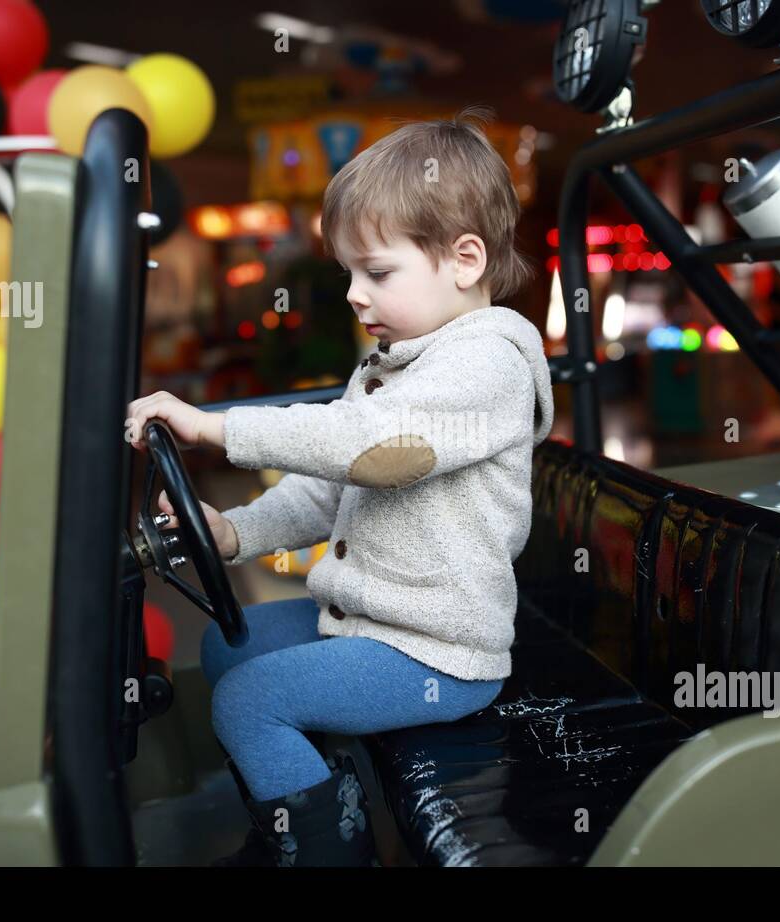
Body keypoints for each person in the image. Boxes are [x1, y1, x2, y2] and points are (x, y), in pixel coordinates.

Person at [124, 106, 554, 867]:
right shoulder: (397, 362)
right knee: (230, 650)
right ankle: (295, 822)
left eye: (377, 273)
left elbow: (371, 453)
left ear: (464, 259)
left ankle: (325, 856)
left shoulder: (487, 365)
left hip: (437, 654)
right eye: (349, 273)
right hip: (371, 620)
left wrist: (217, 426)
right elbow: (329, 491)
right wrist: (235, 532)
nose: (356, 295)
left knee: (250, 700)